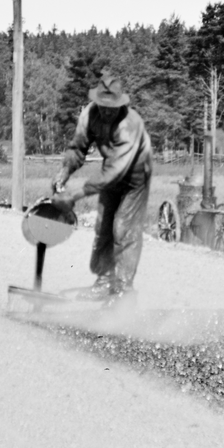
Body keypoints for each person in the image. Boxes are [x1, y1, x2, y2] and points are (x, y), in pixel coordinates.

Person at [51, 71, 153, 303]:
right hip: (110, 170)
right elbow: (78, 148)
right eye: (103, 106)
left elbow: (115, 172)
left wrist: (74, 195)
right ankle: (104, 282)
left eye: (112, 107)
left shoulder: (130, 124)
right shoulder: (89, 114)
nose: (107, 111)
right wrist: (63, 173)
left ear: (121, 104)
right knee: (103, 227)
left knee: (123, 229)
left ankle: (124, 292)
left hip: (135, 176)